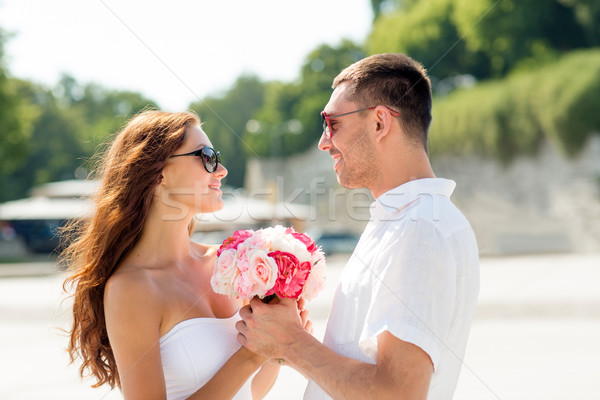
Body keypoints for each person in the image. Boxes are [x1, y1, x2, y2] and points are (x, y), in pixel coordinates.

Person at [235, 53, 480, 399]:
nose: (324, 141)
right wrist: (288, 341)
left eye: (332, 123)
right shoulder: (404, 221)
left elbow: (397, 392)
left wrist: (293, 343)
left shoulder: (420, 229)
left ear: (380, 123)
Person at [62, 110, 285, 400]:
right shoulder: (131, 288)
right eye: (206, 157)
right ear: (159, 172)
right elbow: (245, 364)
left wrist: (277, 347)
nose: (221, 170)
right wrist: (251, 356)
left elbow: (251, 391)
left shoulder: (230, 263)